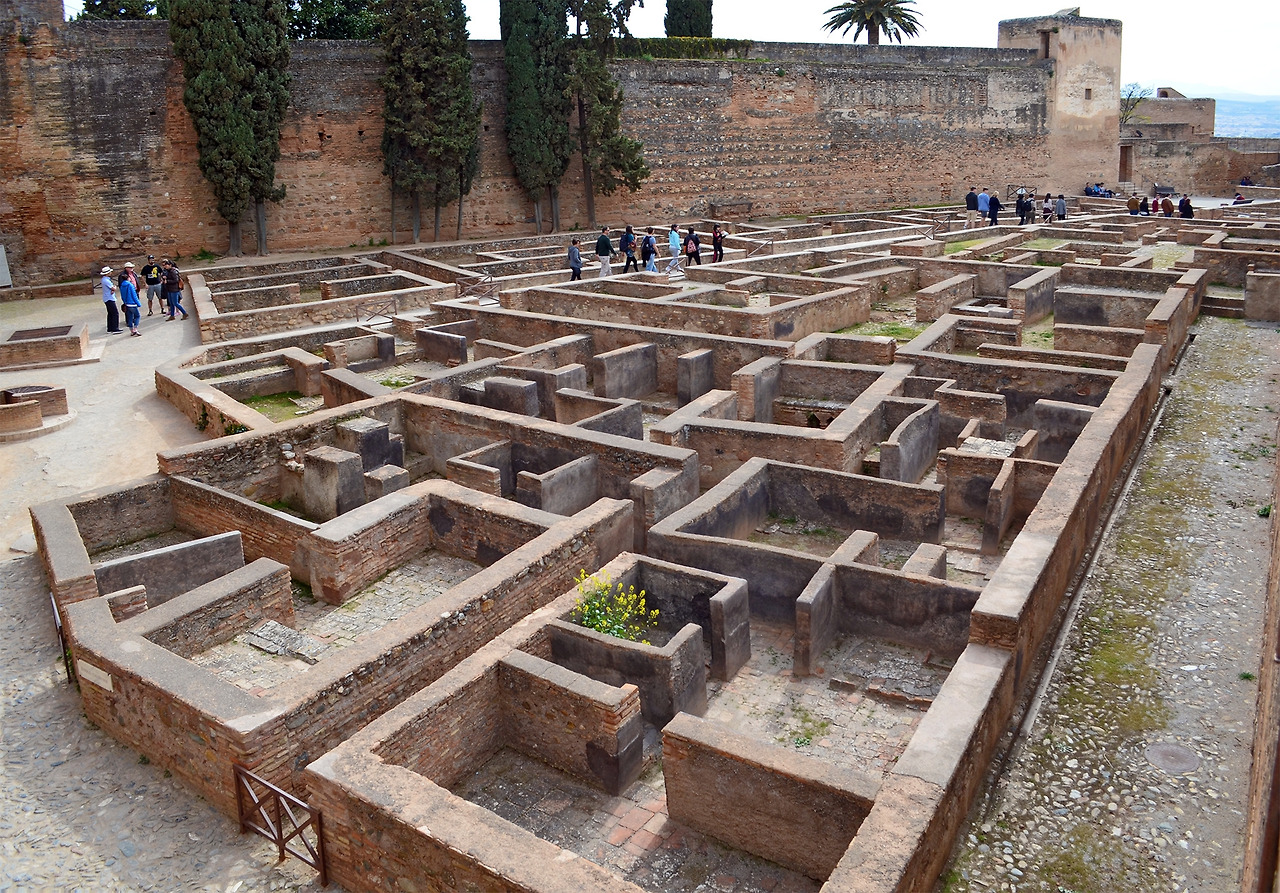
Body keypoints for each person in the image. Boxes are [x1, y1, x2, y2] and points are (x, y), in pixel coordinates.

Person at [118, 266, 142, 336]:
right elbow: (134, 295)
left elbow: (122, 295)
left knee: (130, 318)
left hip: (127, 303)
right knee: (137, 316)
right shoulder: (130, 285)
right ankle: (135, 328)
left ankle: (131, 330)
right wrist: (138, 303)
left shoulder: (122, 286)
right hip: (132, 303)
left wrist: (125, 302)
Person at [99, 266, 122, 333]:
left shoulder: (104, 280)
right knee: (115, 313)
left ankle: (110, 328)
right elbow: (113, 288)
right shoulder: (106, 280)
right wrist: (114, 287)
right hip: (109, 298)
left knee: (110, 313)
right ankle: (115, 328)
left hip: (107, 298)